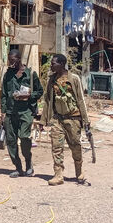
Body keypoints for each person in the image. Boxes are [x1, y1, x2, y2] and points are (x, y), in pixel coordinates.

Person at [42, 53, 89, 186]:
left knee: (75, 145)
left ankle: (79, 171)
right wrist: (43, 120)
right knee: (56, 147)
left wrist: (85, 120)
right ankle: (58, 175)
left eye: (53, 63)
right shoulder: (52, 80)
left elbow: (81, 99)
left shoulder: (74, 79)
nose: (51, 66)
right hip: (58, 119)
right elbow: (48, 100)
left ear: (62, 64)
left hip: (73, 119)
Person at [0, 49, 43, 178]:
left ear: (19, 59)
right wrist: (2, 113)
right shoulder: (8, 75)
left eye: (13, 60)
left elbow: (40, 91)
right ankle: (18, 168)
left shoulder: (30, 74)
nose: (11, 63)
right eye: (9, 60)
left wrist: (29, 96)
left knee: (24, 137)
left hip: (26, 111)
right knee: (11, 141)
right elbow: (3, 94)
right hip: (10, 112)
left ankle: (28, 163)